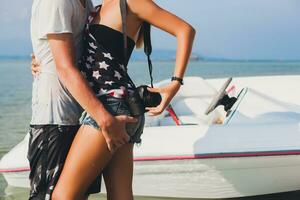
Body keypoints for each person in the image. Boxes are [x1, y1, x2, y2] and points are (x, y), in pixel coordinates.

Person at [48, 0, 196, 199]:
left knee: (62, 196)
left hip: (110, 107)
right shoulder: (98, 8)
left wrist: (175, 83)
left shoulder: (132, 2)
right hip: (123, 106)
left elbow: (185, 30)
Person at [28, 0, 138, 199]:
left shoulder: (87, 4)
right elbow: (63, 66)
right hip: (54, 117)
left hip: (84, 115)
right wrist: (105, 120)